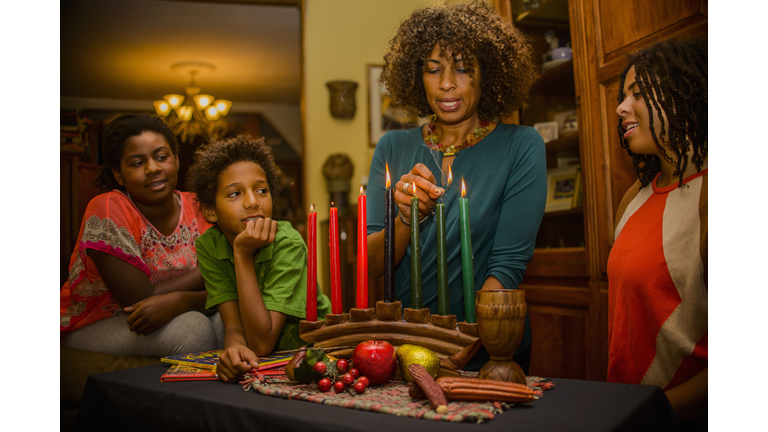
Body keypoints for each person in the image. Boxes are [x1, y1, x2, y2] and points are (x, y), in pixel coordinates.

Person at [366, 0, 546, 372]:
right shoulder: (392, 147)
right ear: (419, 76)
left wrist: (459, 352)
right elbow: (371, 265)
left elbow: (507, 267)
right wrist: (404, 218)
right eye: (434, 70)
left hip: (488, 351)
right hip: (405, 345)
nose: (447, 83)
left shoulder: (521, 145)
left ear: (489, 74)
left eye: (464, 69)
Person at [60, 114, 221, 357]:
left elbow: (229, 285)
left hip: (178, 310)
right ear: (118, 173)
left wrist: (181, 301)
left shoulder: (200, 206)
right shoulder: (107, 208)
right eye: (137, 163)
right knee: (194, 329)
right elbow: (139, 300)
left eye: (161, 157)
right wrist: (212, 268)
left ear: (176, 160)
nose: (153, 168)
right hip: (97, 321)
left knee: (225, 322)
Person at [610, 37, 707, 428]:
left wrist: (658, 412)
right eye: (622, 95)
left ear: (685, 94)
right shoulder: (634, 196)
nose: (620, 107)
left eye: (638, 92)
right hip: (623, 411)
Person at [187, 135, 332, 383]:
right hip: (265, 360)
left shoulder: (288, 242)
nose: (253, 202)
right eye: (234, 194)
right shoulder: (209, 246)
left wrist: (242, 253)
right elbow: (232, 325)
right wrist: (233, 349)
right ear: (211, 211)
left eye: (261, 190)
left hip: (312, 355)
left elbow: (262, 342)